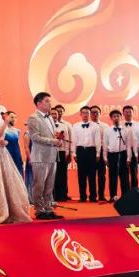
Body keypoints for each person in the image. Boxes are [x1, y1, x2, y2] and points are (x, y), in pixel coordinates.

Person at [27, 92, 64, 220]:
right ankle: (39, 210)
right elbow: (35, 137)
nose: (50, 103)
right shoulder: (33, 118)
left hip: (52, 155)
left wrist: (58, 140)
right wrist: (53, 141)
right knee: (39, 185)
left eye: (50, 101)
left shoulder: (50, 117)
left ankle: (48, 209)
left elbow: (51, 136)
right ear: (39, 103)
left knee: (49, 186)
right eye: (47, 101)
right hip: (40, 157)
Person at [71, 106, 100, 202]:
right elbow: (73, 141)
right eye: (84, 112)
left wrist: (98, 154)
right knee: (81, 175)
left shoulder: (95, 126)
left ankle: (93, 196)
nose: (85, 114)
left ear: (90, 114)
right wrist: (74, 153)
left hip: (91, 151)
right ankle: (82, 196)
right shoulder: (75, 126)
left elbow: (97, 140)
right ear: (80, 114)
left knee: (92, 175)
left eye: (87, 112)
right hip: (80, 151)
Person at [104, 109, 132, 202]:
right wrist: (105, 157)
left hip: (123, 154)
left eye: (118, 116)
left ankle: (126, 196)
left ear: (121, 117)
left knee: (124, 177)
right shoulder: (107, 130)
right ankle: (113, 196)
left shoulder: (126, 130)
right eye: (114, 116)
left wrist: (129, 158)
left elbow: (128, 145)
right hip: (112, 155)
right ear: (111, 118)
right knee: (112, 176)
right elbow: (105, 145)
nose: (116, 118)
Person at [51, 105, 71, 202]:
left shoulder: (64, 126)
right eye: (52, 114)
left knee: (62, 174)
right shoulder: (46, 126)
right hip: (50, 152)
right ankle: (52, 196)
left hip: (61, 152)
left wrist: (67, 152)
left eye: (55, 114)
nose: (54, 115)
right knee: (51, 174)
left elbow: (67, 140)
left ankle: (62, 195)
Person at [90, 106, 109, 202]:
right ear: (90, 114)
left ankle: (101, 195)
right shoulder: (87, 125)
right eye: (93, 112)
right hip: (90, 151)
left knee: (102, 175)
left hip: (102, 151)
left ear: (100, 113)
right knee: (91, 175)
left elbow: (108, 141)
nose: (95, 114)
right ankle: (92, 196)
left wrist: (106, 154)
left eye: (97, 112)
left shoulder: (105, 126)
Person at [122, 105, 139, 189]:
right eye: (126, 112)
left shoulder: (138, 125)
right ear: (123, 113)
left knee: (134, 172)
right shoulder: (119, 124)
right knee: (124, 173)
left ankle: (134, 192)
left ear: (133, 113)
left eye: (130, 112)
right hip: (122, 151)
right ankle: (126, 193)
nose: (128, 113)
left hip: (134, 150)